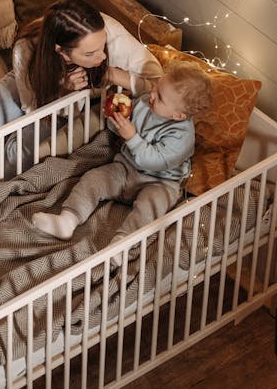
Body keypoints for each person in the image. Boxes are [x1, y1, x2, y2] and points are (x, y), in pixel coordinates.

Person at [0, 0, 163, 166]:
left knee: (17, 158)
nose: (101, 57)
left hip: (91, 104)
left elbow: (160, 85)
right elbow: (32, 110)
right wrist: (63, 92)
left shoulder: (114, 37)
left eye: (102, 47)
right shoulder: (27, 49)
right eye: (90, 54)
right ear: (61, 51)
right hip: (39, 90)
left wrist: (114, 74)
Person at [32, 59, 212, 254]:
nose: (151, 94)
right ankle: (68, 220)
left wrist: (132, 137)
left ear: (179, 116)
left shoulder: (182, 136)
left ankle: (122, 245)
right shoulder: (144, 103)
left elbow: (155, 161)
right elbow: (123, 128)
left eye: (159, 97)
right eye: (156, 88)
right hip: (125, 168)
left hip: (159, 182)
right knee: (93, 179)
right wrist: (116, 120)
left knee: (151, 207)